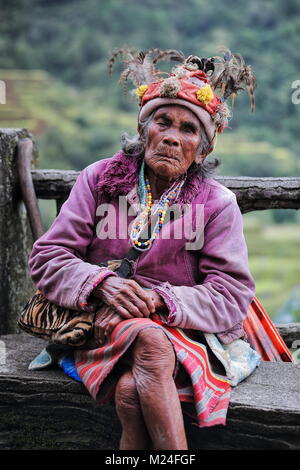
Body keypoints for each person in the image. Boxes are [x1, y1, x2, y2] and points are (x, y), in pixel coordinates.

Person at [28, 48, 262, 450]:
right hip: (98, 320)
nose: (172, 135)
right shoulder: (98, 179)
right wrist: (102, 285)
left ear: (202, 150)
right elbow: (48, 258)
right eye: (162, 121)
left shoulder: (216, 203)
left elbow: (230, 295)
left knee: (131, 386)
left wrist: (155, 301)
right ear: (143, 130)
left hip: (182, 329)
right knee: (149, 345)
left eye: (189, 130)